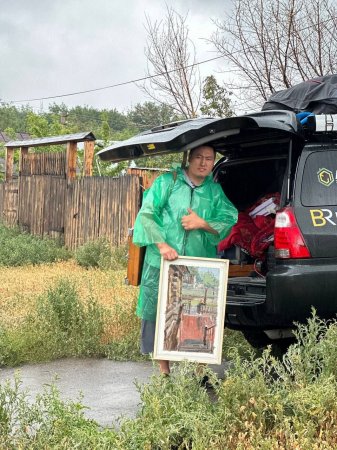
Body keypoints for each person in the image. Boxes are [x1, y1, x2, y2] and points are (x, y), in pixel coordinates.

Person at [133, 145, 238, 375]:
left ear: (213, 163)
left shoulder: (214, 191)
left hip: (199, 264)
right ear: (188, 159)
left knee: (198, 314)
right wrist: (162, 246)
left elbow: (229, 217)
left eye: (209, 159)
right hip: (163, 262)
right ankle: (164, 372)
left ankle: (199, 373)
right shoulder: (167, 183)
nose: (203, 163)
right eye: (199, 157)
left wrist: (202, 223)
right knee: (161, 313)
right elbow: (147, 214)